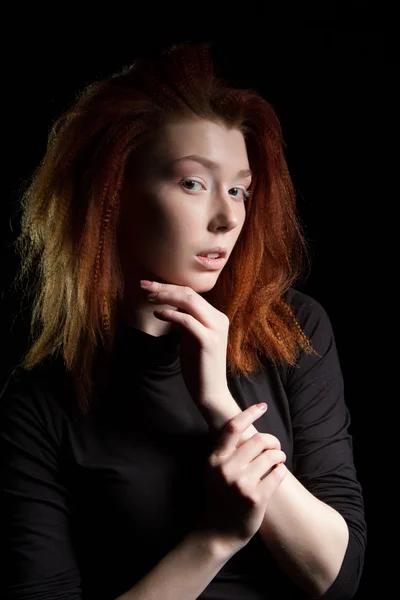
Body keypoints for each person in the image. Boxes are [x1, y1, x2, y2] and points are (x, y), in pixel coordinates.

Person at [0, 42, 366, 600]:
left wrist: (220, 403)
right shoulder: (41, 403)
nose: (227, 218)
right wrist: (214, 539)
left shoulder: (293, 331)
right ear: (113, 193)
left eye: (239, 189)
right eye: (193, 182)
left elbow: (336, 578)